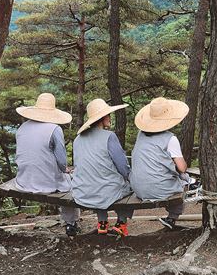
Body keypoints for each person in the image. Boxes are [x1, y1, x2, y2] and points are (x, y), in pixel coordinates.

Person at [14, 92, 81, 236]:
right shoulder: (54, 129)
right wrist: (65, 170)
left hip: (24, 179)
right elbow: (62, 161)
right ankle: (71, 223)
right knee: (69, 185)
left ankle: (71, 222)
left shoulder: (22, 128)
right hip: (46, 182)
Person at [72, 98, 132, 237]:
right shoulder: (109, 136)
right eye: (108, 115)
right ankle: (121, 224)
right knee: (129, 185)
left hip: (82, 191)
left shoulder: (78, 139)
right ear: (104, 117)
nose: (110, 117)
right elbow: (122, 166)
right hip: (105, 191)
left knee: (97, 180)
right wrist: (130, 178)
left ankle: (102, 223)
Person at [130, 97, 190, 230]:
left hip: (138, 188)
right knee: (184, 183)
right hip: (158, 188)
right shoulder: (170, 139)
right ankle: (172, 217)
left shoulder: (141, 135)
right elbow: (182, 168)